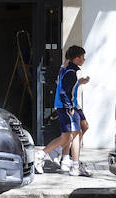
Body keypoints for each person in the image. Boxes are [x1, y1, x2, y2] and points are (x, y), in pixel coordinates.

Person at [35, 45, 90, 176]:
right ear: (76, 58)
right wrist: (69, 107)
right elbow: (64, 91)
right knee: (71, 135)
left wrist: (79, 83)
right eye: (82, 57)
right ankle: (50, 155)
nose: (84, 59)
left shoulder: (69, 70)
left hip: (69, 106)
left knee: (74, 133)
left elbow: (66, 87)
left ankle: (68, 161)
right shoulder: (69, 71)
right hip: (68, 107)